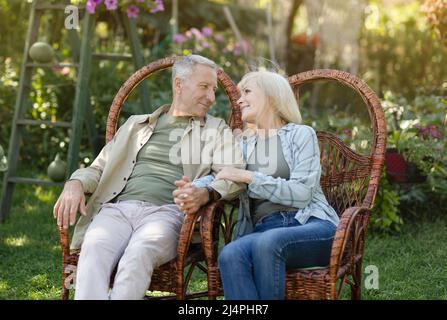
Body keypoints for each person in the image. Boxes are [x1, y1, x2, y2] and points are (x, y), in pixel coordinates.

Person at [53, 54, 245, 300]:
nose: (210, 97)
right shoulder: (136, 125)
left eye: (214, 90)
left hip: (167, 214)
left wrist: (205, 193)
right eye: (204, 87)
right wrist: (75, 182)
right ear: (179, 84)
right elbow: (98, 168)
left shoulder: (216, 129)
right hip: (117, 209)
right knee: (95, 247)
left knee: (139, 253)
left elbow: (234, 173)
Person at [187, 70, 340, 300]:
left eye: (247, 91)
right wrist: (195, 188)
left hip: (311, 225)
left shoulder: (301, 135)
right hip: (264, 229)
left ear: (271, 96)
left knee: (268, 243)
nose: (239, 100)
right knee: (230, 254)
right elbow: (221, 174)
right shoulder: (242, 144)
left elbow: (302, 194)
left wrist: (249, 177)